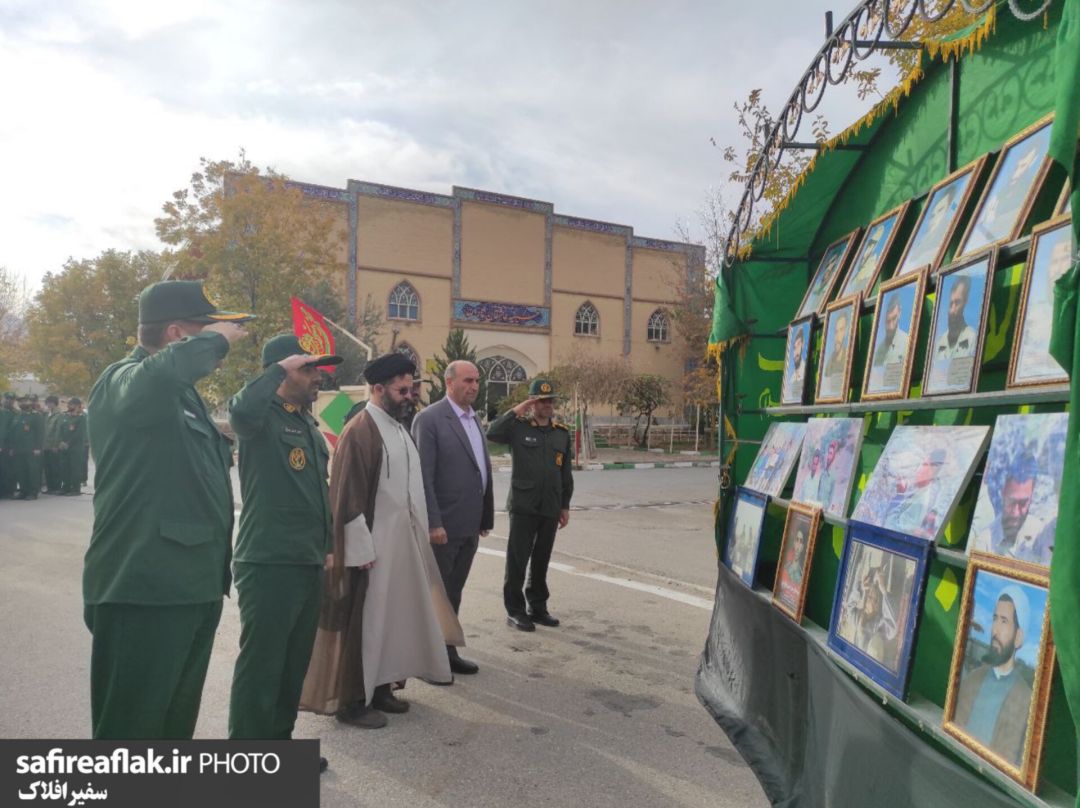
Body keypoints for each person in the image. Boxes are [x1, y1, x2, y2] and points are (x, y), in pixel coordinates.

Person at [82, 280, 250, 739]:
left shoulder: (182, 395)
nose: (219, 343)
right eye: (205, 328)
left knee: (172, 730)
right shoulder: (123, 380)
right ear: (177, 334)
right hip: (144, 589)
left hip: (190, 587)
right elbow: (154, 380)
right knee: (131, 734)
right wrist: (215, 341)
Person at [301, 352, 463, 729]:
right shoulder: (361, 430)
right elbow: (346, 497)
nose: (410, 396)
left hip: (402, 548)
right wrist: (359, 551)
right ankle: (352, 701)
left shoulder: (398, 428)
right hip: (371, 553)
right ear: (377, 389)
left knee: (393, 621)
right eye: (401, 390)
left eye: (411, 389)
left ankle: (382, 687)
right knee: (365, 623)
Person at [227, 335, 342, 771]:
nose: (318, 377)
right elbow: (239, 411)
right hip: (269, 560)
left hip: (306, 559)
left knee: (292, 664)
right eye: (308, 368)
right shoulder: (260, 417)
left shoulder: (306, 423)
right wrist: (276, 369)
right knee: (263, 664)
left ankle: (278, 745)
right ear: (282, 371)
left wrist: (327, 547)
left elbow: (317, 493)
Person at [411, 360, 494, 675]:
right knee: (438, 593)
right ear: (449, 382)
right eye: (467, 380)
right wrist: (433, 522)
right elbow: (424, 476)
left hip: (468, 525)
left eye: (476, 381)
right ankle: (430, 659)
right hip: (443, 526)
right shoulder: (430, 419)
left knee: (454, 590)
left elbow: (480, 470)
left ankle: (446, 650)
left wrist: (484, 518)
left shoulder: (474, 418)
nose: (474, 386)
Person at [487, 379, 574, 631]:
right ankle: (515, 610)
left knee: (541, 559)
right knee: (518, 560)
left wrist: (565, 505)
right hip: (524, 505)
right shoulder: (518, 428)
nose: (547, 405)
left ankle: (537, 607)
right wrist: (520, 408)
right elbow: (492, 432)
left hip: (550, 505)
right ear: (533, 402)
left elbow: (565, 473)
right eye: (541, 400)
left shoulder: (561, 433)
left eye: (550, 400)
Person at [954, 586, 1035, 766]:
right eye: (995, 619)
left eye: (1004, 621)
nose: (995, 630)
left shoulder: (1025, 699)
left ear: (1018, 637)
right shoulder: (972, 679)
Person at [973, 454, 1054, 565]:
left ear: (1031, 496)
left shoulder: (1041, 535)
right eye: (1011, 502)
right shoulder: (984, 544)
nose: (1016, 513)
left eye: (1023, 503)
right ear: (1003, 493)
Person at [884, 449, 946, 537]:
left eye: (924, 465)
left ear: (932, 472)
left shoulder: (920, 503)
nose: (919, 469)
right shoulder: (919, 491)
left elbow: (890, 528)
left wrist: (899, 496)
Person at [930, 274, 977, 389]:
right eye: (951, 304)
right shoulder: (939, 342)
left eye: (957, 303)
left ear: (965, 303)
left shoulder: (972, 338)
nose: (952, 310)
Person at [868, 294, 909, 391]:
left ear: (899, 312)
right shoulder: (878, 349)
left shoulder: (907, 342)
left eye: (894, 319)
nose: (891, 326)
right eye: (887, 321)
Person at [12, 394, 44, 500]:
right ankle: (23, 490)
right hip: (19, 448)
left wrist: (38, 447)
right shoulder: (18, 415)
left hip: (31, 448)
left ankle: (33, 492)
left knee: (32, 471)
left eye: (24, 401)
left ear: (29, 402)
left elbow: (40, 433)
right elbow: (14, 433)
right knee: (21, 470)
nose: (21, 403)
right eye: (19, 402)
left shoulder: (36, 416)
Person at [59, 397, 87, 496]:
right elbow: (61, 430)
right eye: (69, 404)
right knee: (65, 468)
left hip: (75, 448)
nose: (68, 406)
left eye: (71, 404)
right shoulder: (66, 417)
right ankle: (66, 487)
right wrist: (61, 441)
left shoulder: (81, 418)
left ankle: (75, 489)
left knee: (75, 468)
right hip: (64, 447)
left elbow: (78, 434)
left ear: (77, 406)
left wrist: (68, 443)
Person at [821, 310, 851, 394]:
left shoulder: (848, 357)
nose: (837, 336)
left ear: (846, 332)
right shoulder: (829, 362)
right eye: (836, 331)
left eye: (841, 330)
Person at [42, 395, 63, 494]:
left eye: (50, 403)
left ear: (54, 403)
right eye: (47, 403)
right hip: (45, 445)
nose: (48, 405)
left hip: (53, 445)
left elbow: (58, 431)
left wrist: (56, 445)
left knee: (55, 467)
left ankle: (56, 487)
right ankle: (50, 487)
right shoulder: (47, 414)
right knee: (47, 467)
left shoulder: (59, 415)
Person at [783, 327, 806, 402]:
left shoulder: (805, 371)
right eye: (794, 347)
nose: (796, 352)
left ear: (803, 345)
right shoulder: (791, 379)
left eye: (798, 345)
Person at [817, 440, 839, 511]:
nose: (828, 457)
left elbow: (832, 499)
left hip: (824, 511)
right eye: (828, 453)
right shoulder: (822, 473)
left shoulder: (833, 477)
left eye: (830, 453)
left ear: (834, 456)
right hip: (815, 507)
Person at [0, 392, 15, 498]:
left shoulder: (16, 413)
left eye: (11, 399)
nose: (9, 400)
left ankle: (8, 491)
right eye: (7, 398)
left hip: (9, 445)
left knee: (8, 469)